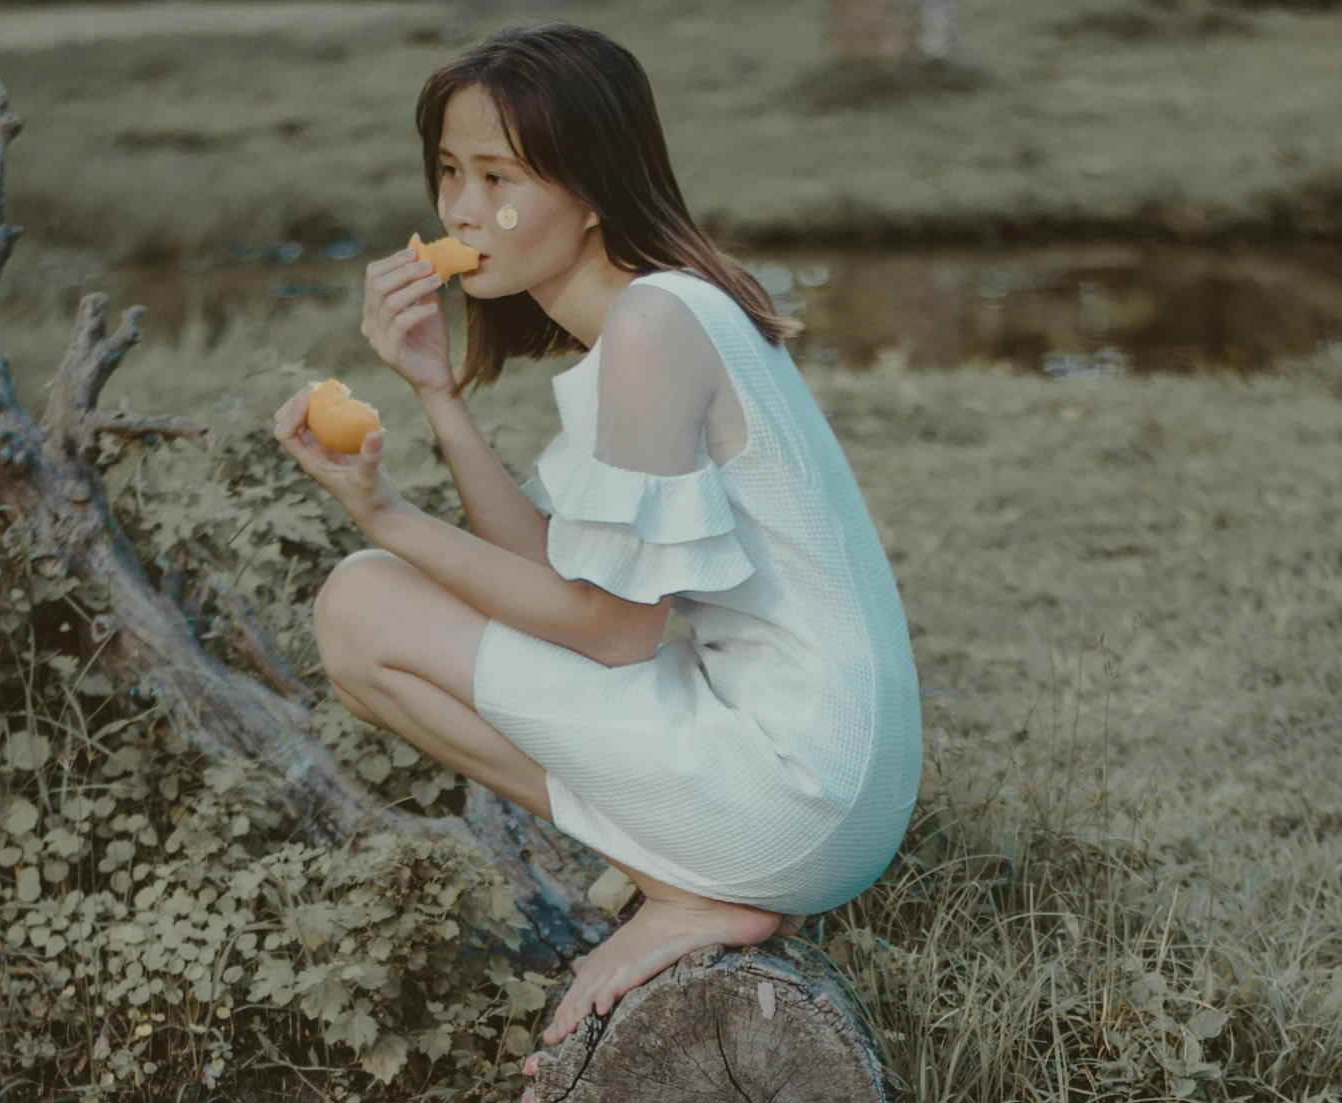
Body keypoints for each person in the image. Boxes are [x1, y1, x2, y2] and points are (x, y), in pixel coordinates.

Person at [274, 22, 921, 1044]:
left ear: (591, 190)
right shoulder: (666, 313)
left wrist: (385, 516)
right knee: (378, 604)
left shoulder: (651, 330)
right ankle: (689, 871)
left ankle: (688, 882)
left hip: (790, 789)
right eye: (449, 171)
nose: (459, 210)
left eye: (499, 176)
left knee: (360, 602)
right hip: (824, 788)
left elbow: (613, 632)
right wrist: (436, 393)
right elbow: (551, 572)